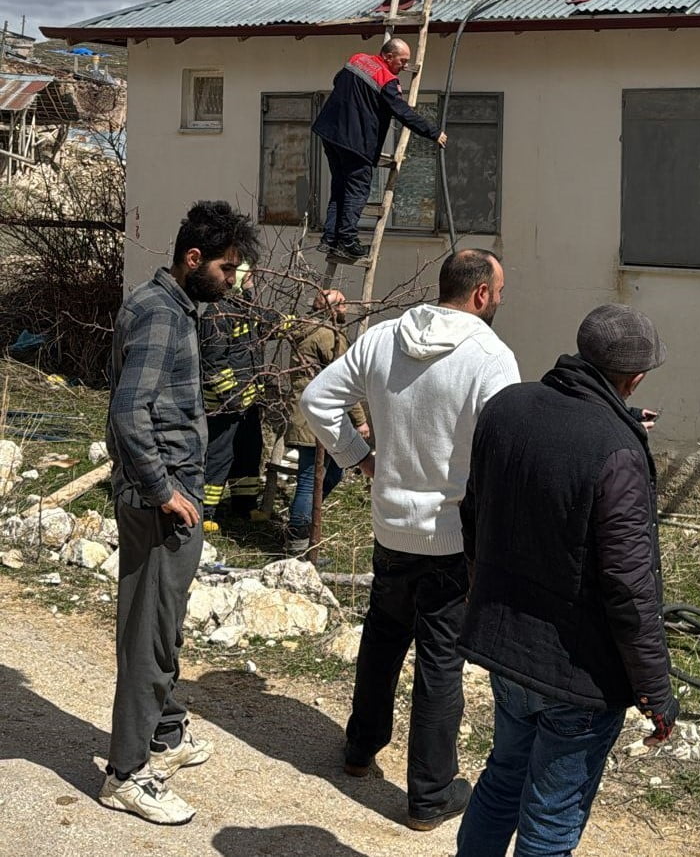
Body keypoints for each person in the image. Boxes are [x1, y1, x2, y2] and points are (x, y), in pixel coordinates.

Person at [300, 249, 519, 831]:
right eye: (499, 292)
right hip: (450, 536)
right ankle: (429, 795)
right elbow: (504, 454)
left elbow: (315, 400)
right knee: (440, 663)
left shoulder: (381, 339)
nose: (501, 300)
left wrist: (360, 459)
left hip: (391, 525)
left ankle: (359, 748)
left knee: (384, 634)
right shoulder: (491, 358)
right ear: (479, 295)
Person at [454, 303, 678, 857]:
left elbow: (474, 515)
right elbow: (629, 587)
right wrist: (655, 689)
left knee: (501, 780)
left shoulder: (507, 407)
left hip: (507, 650)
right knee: (551, 819)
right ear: (635, 378)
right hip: (577, 674)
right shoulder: (617, 450)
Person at [101, 200, 260, 825]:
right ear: (192, 260)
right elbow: (128, 411)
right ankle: (127, 772)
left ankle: (163, 733)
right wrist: (165, 489)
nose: (233, 279)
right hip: (159, 502)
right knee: (147, 632)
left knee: (162, 623)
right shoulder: (162, 317)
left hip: (169, 494)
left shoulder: (168, 305)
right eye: (227, 268)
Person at [311, 37, 448, 259]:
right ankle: (347, 241)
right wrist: (434, 133)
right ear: (387, 56)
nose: (404, 66)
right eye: (402, 61)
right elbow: (403, 113)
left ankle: (329, 238)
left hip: (330, 133)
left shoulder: (357, 59)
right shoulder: (387, 81)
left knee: (339, 186)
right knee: (357, 190)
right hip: (356, 142)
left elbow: (338, 81)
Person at [283, 289, 371, 557]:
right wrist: (360, 420)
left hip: (305, 415)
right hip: (318, 419)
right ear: (332, 309)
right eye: (343, 304)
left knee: (330, 474)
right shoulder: (328, 336)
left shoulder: (306, 329)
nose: (347, 309)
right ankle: (297, 547)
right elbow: (345, 383)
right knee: (312, 480)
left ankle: (304, 525)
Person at [198, 262, 274, 532]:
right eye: (249, 277)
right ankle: (206, 512)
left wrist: (305, 322)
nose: (253, 281)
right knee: (219, 456)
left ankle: (245, 506)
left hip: (248, 402)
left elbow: (271, 323)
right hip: (224, 406)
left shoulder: (247, 308)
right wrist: (232, 398)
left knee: (249, 453)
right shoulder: (216, 314)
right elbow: (214, 364)